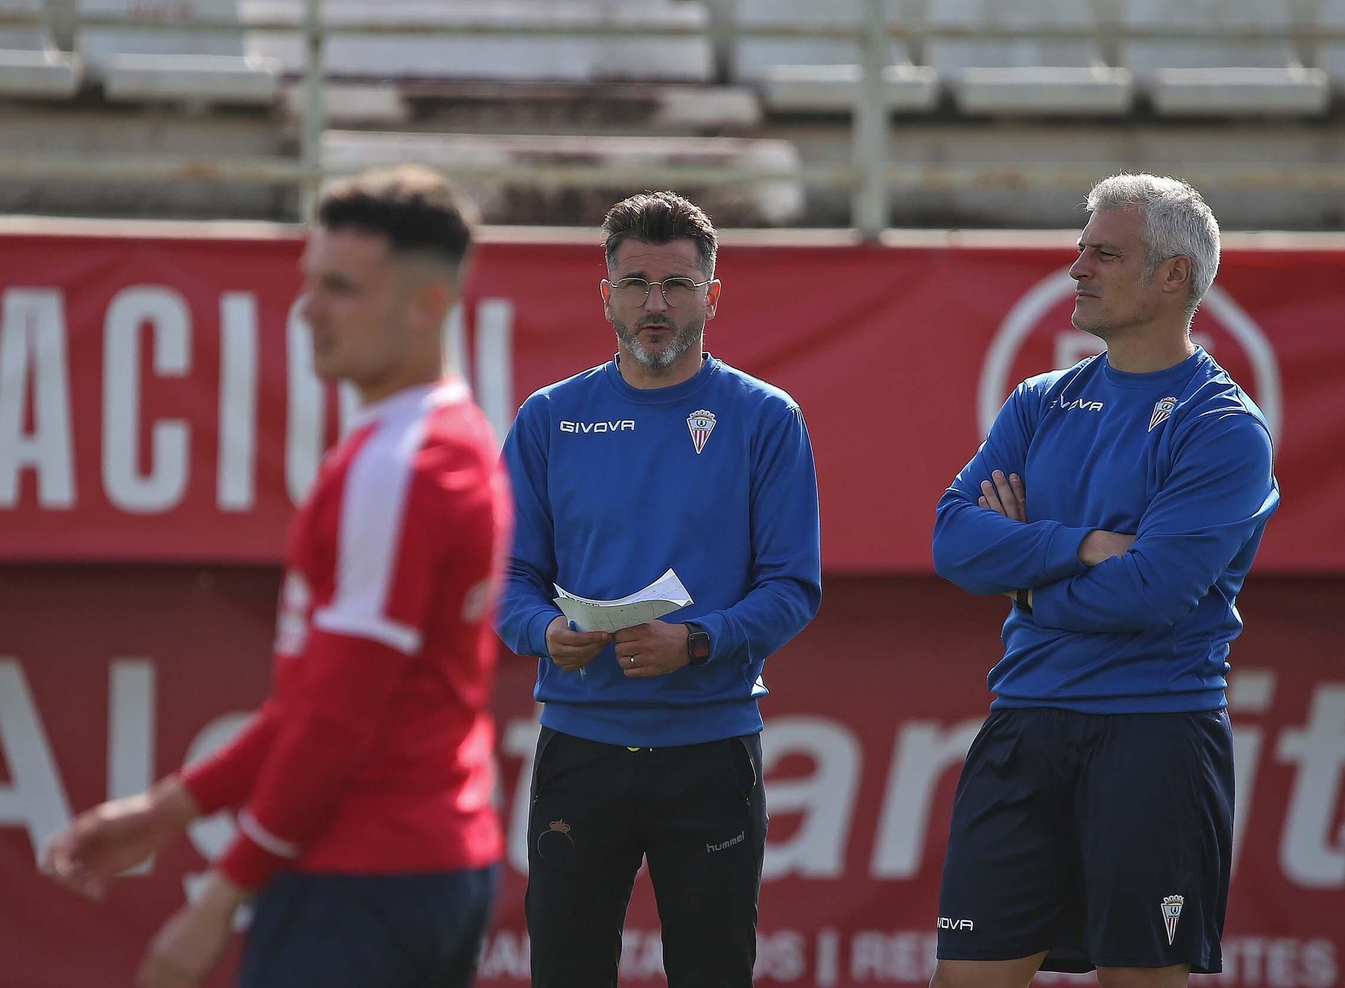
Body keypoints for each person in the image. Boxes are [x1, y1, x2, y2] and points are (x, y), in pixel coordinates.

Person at [40, 165, 510, 988]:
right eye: (308, 283)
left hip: (360, 883)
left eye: (340, 288)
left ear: (427, 304)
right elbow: (319, 703)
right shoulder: (455, 437)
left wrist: (220, 895)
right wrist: (166, 814)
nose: (307, 311)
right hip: (436, 869)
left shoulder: (400, 467)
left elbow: (336, 720)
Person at [928, 173, 1279, 988]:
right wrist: (1082, 545)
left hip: (1155, 738)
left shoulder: (1223, 428)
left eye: (1103, 253)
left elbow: (1152, 592)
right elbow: (953, 540)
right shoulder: (1039, 400)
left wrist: (1021, 574)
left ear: (1172, 276)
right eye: (1080, 249)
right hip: (1025, 722)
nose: (1076, 269)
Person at [496, 190, 821, 988]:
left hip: (709, 751)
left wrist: (698, 641)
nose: (655, 303)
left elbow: (792, 586)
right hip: (581, 746)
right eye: (636, 283)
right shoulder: (548, 419)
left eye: (676, 285)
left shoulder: (766, 418)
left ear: (710, 296)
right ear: (605, 296)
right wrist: (544, 633)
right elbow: (504, 579)